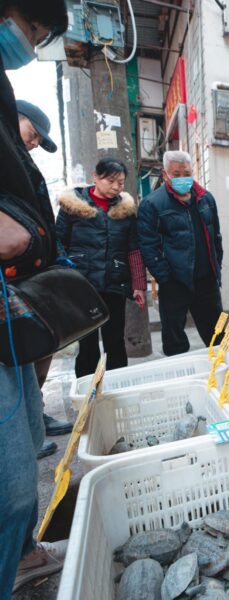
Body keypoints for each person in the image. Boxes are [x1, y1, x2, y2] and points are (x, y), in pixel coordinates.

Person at [0, 1, 69, 595]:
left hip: (17, 301)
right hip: (13, 293)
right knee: (12, 481)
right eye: (34, 30)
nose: (30, 43)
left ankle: (22, 553)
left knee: (21, 463)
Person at [16, 99, 73, 459]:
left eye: (38, 139)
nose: (35, 142)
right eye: (33, 134)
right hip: (16, 278)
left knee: (42, 348)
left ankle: (33, 418)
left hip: (36, 272)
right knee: (22, 351)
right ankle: (22, 431)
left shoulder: (20, 161)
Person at [56, 158, 147, 378]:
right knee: (87, 343)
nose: (117, 187)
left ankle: (118, 384)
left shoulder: (125, 210)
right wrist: (63, 281)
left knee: (114, 340)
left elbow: (133, 249)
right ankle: (88, 390)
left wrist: (138, 285)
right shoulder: (73, 206)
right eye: (112, 181)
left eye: (121, 182)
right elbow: (58, 244)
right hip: (82, 285)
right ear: (95, 177)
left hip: (114, 283)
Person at [138, 150, 224, 355]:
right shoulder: (152, 204)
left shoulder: (205, 199)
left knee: (219, 335)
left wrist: (216, 266)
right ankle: (181, 380)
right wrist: (165, 276)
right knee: (174, 339)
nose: (182, 178)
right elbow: (148, 245)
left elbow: (216, 237)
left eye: (187, 173)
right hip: (175, 282)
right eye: (176, 174)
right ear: (166, 174)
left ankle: (224, 376)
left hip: (206, 280)